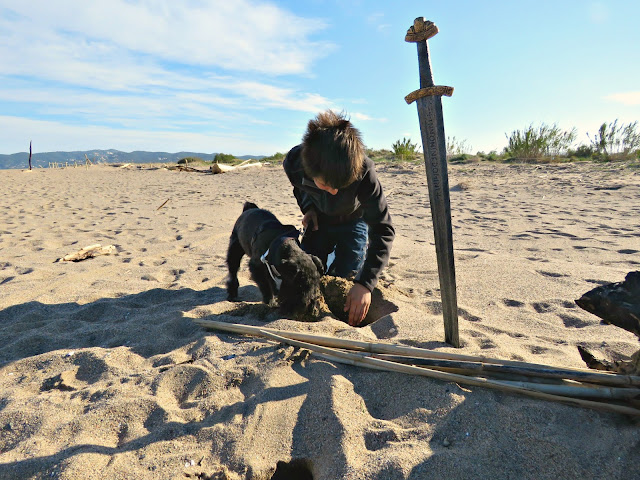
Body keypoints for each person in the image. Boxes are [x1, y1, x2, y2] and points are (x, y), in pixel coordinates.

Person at [283, 110, 395, 326]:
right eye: (325, 184)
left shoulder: (365, 173)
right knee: (305, 273)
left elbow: (383, 229)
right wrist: (309, 208)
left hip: (354, 220)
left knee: (345, 277)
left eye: (341, 186)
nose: (333, 192)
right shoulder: (295, 164)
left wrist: (365, 284)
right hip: (320, 221)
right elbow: (299, 189)